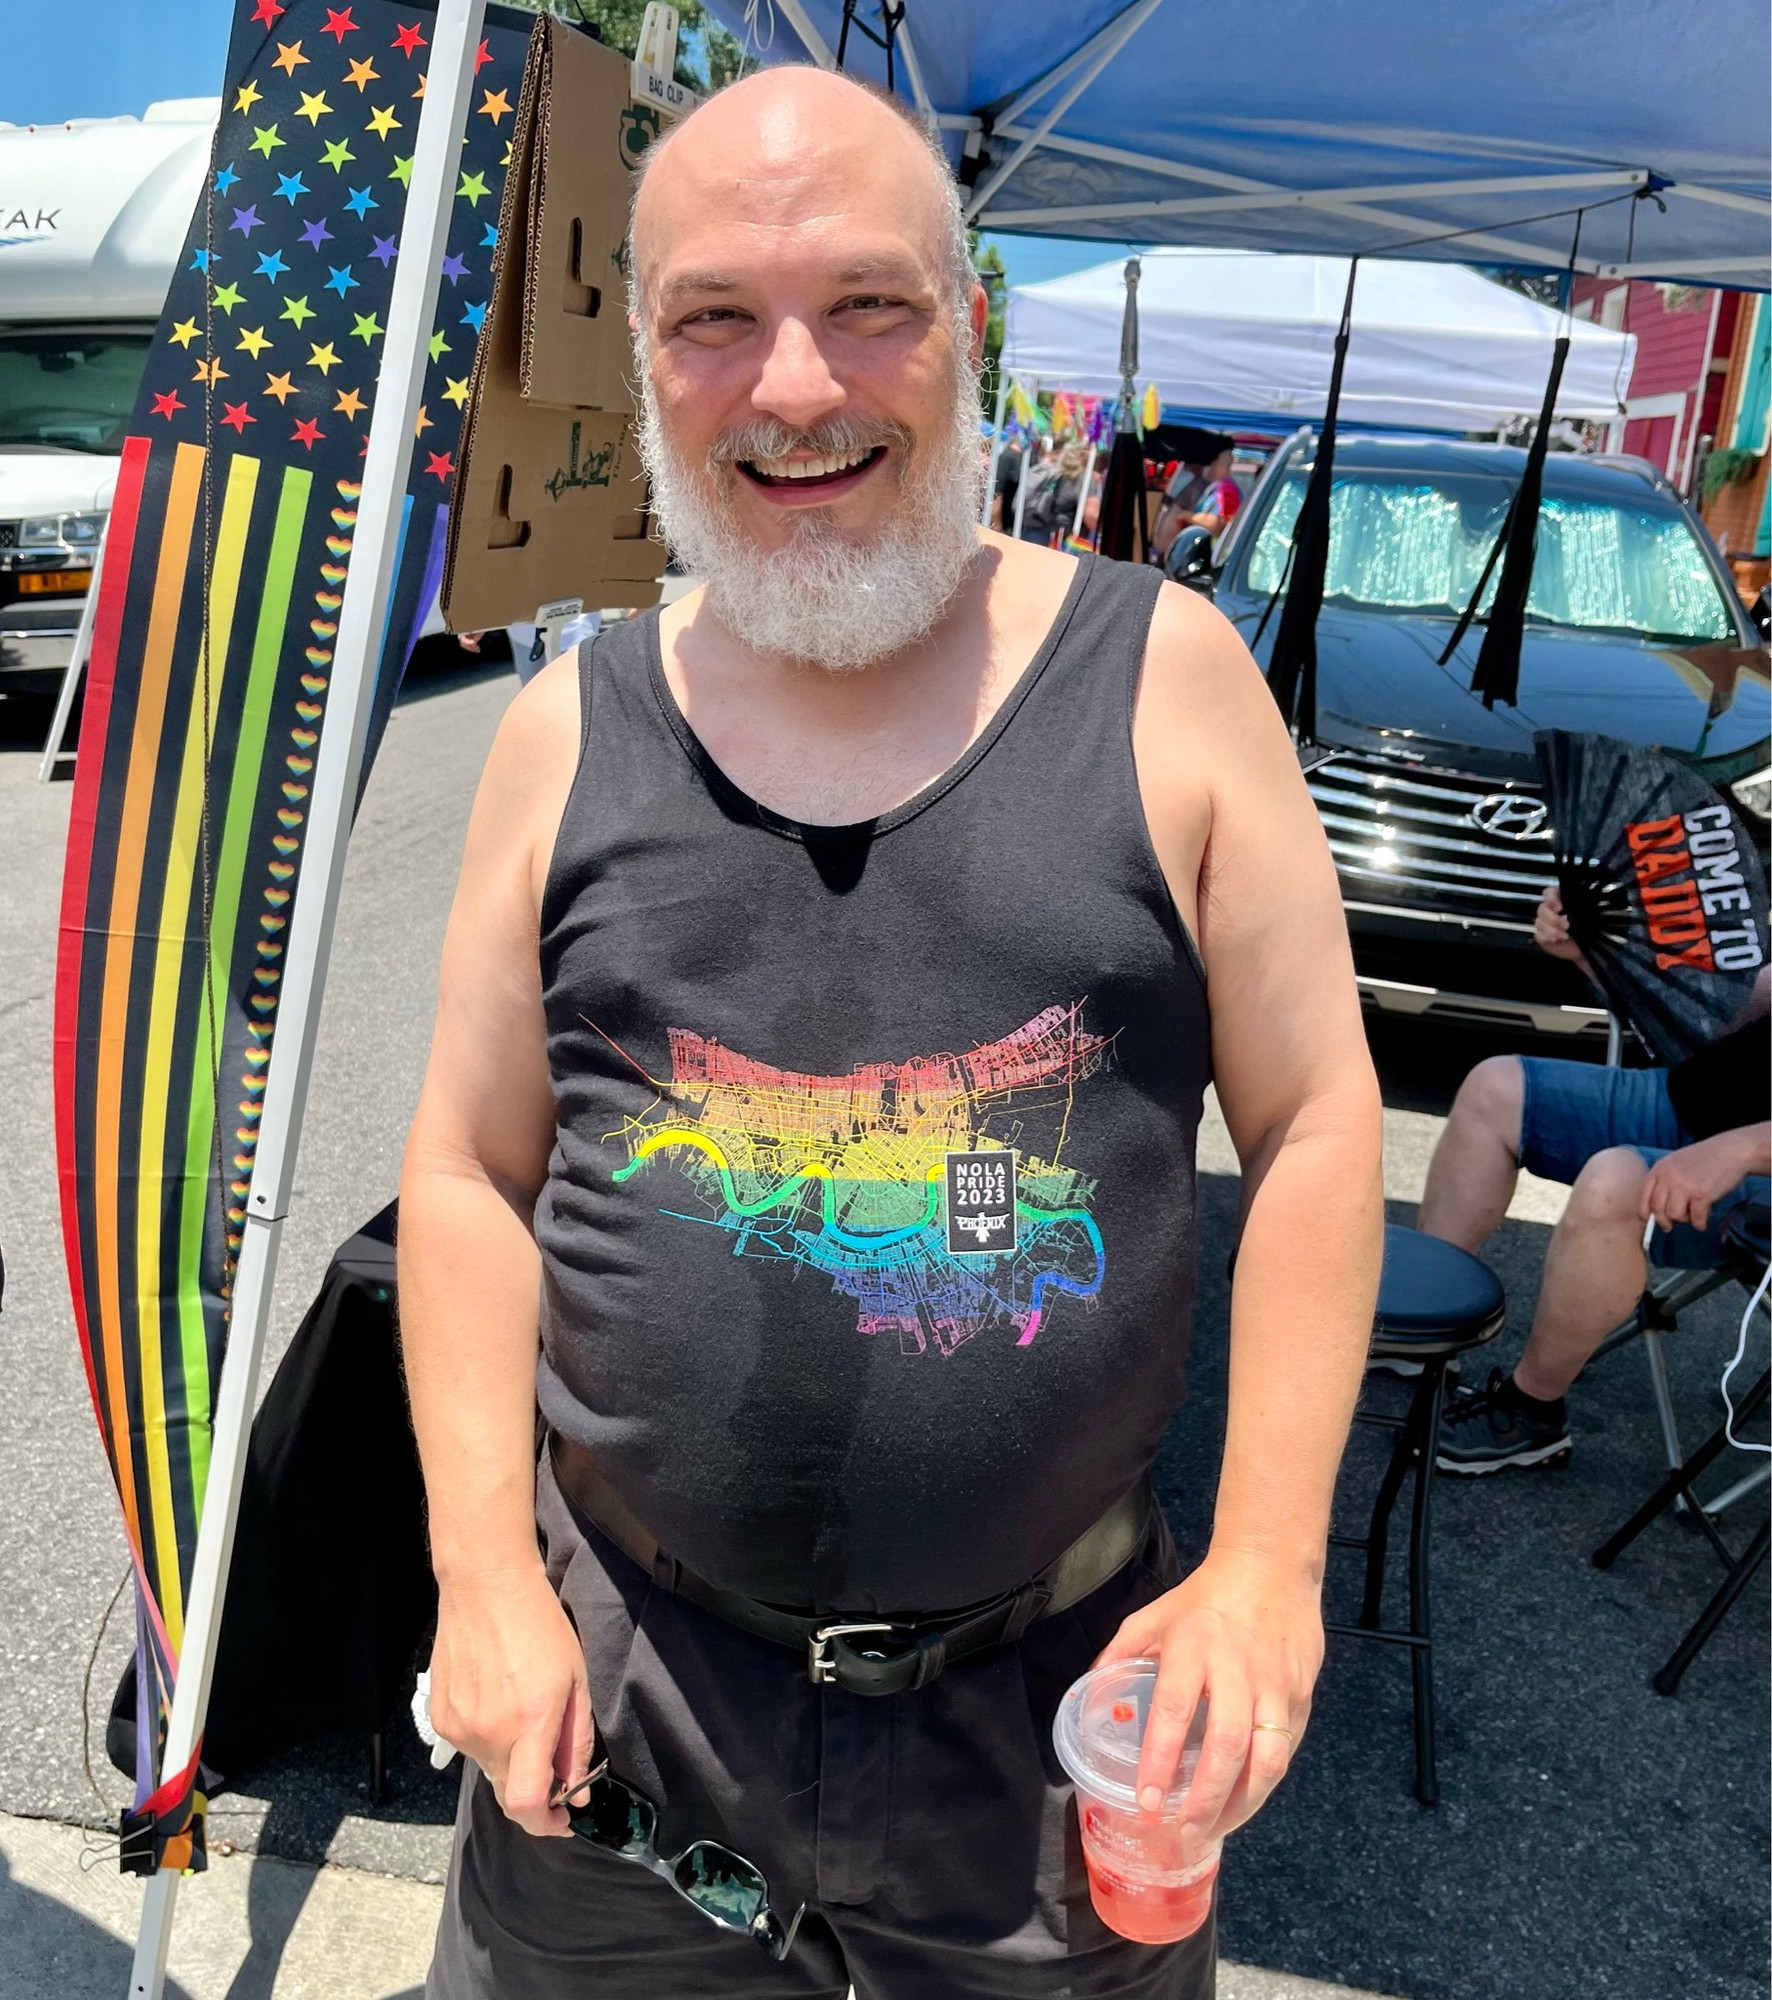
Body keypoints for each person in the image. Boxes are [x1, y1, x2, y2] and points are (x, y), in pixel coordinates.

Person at [402, 64, 1382, 2000]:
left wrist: (1267, 1566)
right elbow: (459, 1170)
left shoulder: (1161, 674)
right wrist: (482, 1578)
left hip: (1051, 1699)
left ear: (968, 327)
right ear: (644, 360)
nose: (792, 387)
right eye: (714, 319)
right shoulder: (562, 728)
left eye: (866, 303)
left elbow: (1326, 1121)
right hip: (623, 1687)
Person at [1419, 884, 1771, 1474]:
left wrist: (1746, 1146)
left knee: (1617, 1181)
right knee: (1497, 1086)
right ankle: (1426, 1329)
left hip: (1754, 1159)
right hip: (1704, 1104)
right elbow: (1742, 1001)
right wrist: (1598, 954)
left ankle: (1532, 1412)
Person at [1149, 437, 1241, 564]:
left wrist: (1189, 517)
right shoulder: (1203, 485)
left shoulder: (1225, 489)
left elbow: (1214, 523)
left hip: (1205, 559)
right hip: (1181, 556)